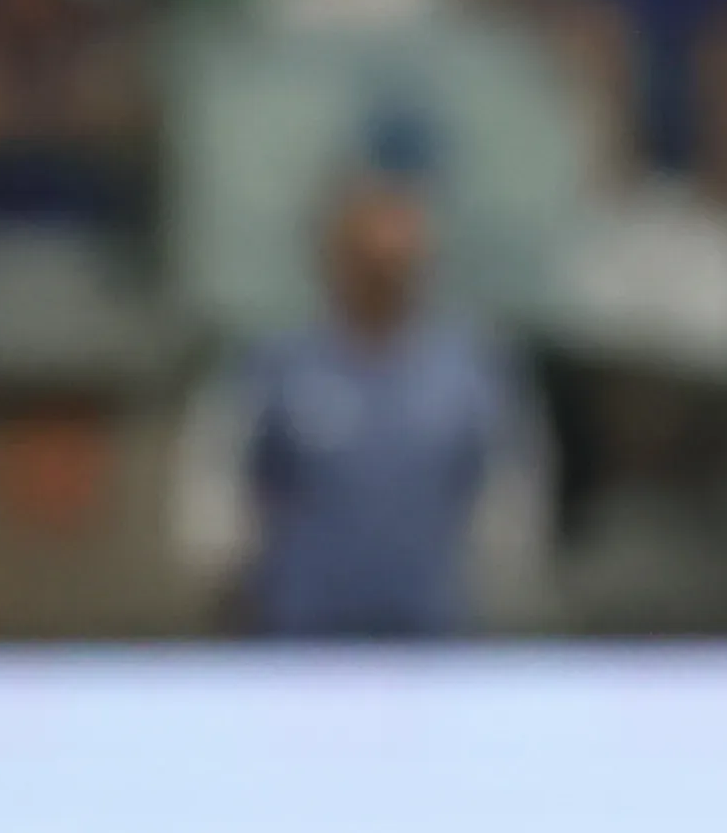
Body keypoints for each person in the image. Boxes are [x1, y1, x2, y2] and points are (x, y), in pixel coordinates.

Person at [198, 175, 537, 637]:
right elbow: (221, 489)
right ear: (334, 261)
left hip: (433, 631)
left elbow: (508, 496)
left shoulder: (471, 373)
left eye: (398, 262)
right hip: (302, 630)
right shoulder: (276, 367)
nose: (384, 276)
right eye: (369, 261)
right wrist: (226, 578)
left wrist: (503, 591)